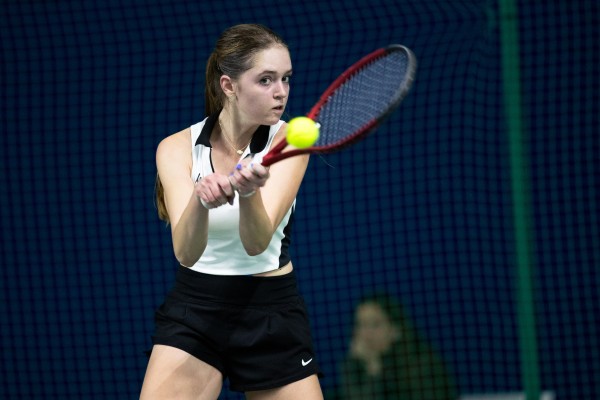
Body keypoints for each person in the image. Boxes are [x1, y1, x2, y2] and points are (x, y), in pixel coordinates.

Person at [140, 24, 323, 400]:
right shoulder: (176, 148)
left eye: (286, 78)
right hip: (196, 310)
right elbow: (186, 252)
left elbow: (257, 244)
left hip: (270, 311)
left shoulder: (291, 141)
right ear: (229, 85)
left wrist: (249, 193)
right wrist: (201, 202)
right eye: (266, 80)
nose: (281, 92)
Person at [338, 293, 457, 400]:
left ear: (396, 330)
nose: (366, 334)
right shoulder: (352, 366)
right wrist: (373, 370)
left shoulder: (423, 364)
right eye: (360, 325)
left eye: (375, 324)